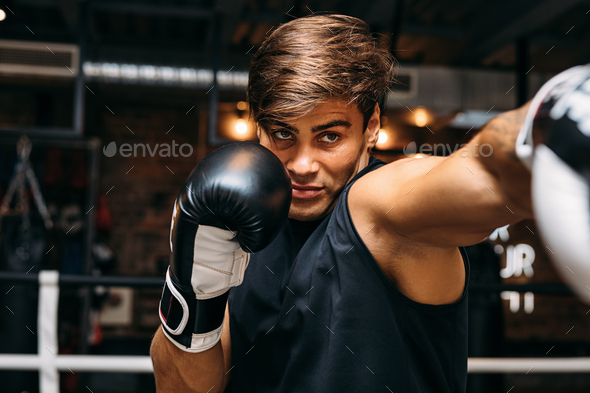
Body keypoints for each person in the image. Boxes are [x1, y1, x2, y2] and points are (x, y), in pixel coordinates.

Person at [150, 13, 590, 393]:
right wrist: (194, 285)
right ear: (258, 129)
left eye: (329, 137)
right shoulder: (239, 225)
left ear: (372, 126)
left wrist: (547, 122)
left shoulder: (380, 206)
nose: (302, 165)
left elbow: (481, 172)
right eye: (283, 134)